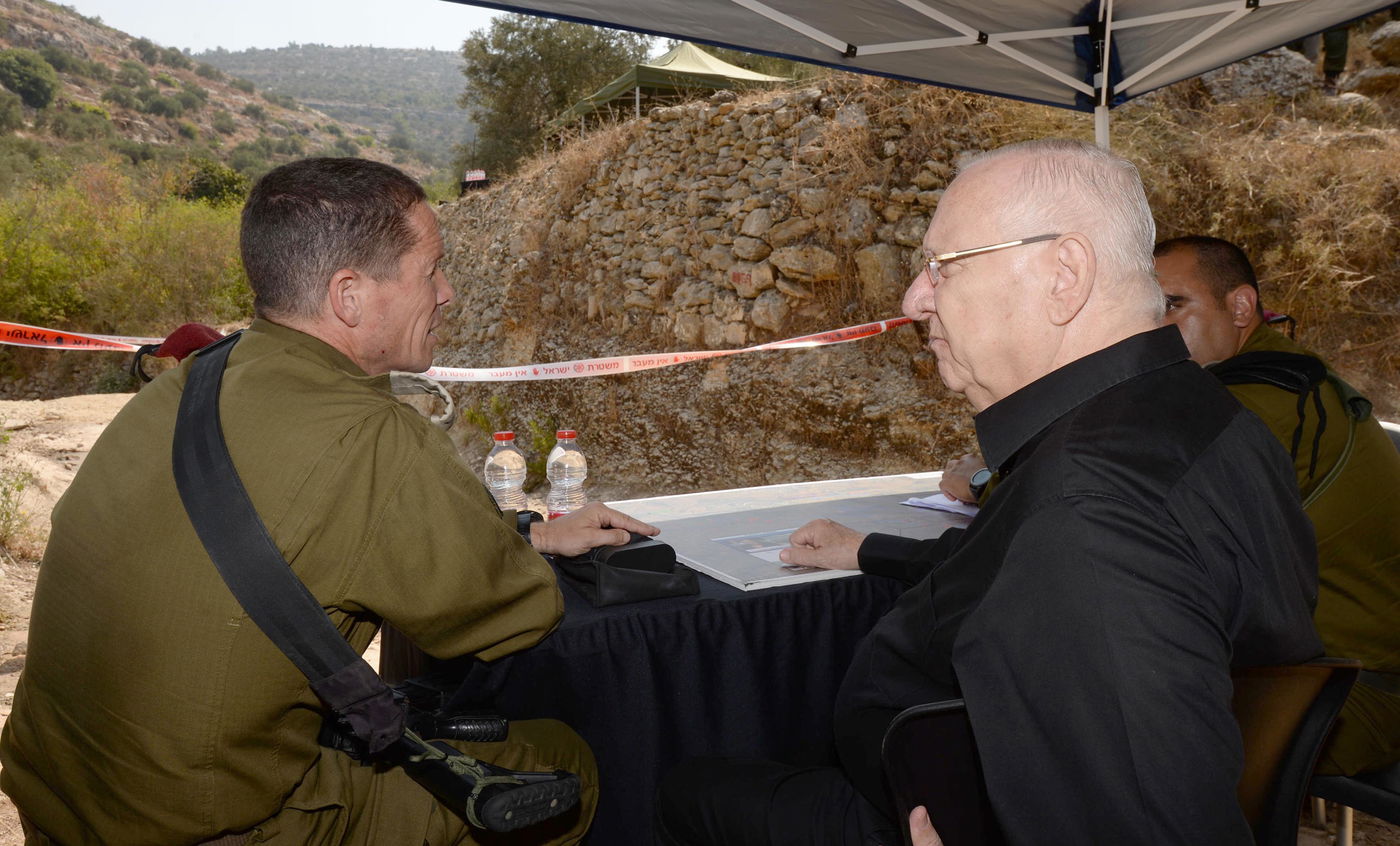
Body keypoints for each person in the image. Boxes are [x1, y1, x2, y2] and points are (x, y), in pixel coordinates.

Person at [657, 139, 1322, 845]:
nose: (914, 299)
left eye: (942, 267)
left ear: (1065, 274)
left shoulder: (1088, 516)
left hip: (928, 817)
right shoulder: (1205, 417)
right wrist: (869, 552)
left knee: (684, 792)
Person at [0, 157, 656, 846]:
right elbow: (510, 614)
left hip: (62, 798)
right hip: (208, 830)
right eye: (431, 269)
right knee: (563, 760)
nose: (449, 293)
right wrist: (526, 557)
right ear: (349, 297)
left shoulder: (193, 381)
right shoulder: (372, 436)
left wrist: (534, 534)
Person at [1154, 234, 1400, 776]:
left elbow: (1123, 493)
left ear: (1240, 307)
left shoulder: (1255, 406)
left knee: (1119, 735)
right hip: (1313, 671)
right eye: (1146, 310)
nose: (1154, 329)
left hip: (1352, 691)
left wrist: (985, 481)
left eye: (1173, 305)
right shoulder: (1280, 377)